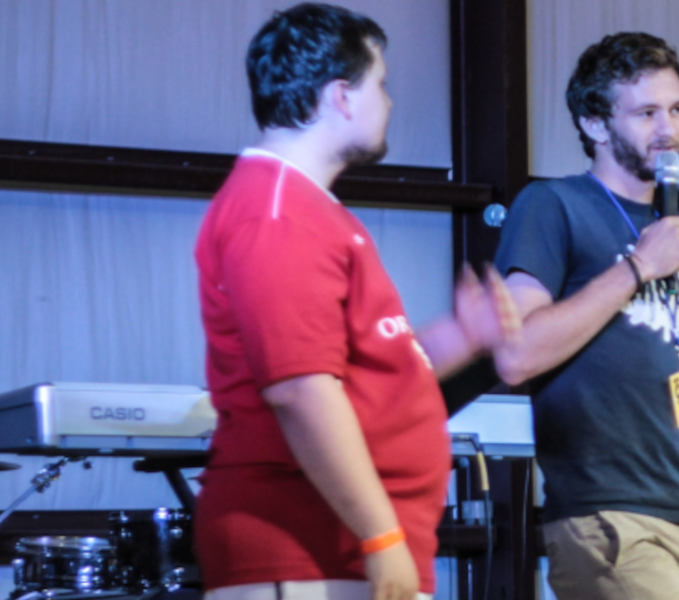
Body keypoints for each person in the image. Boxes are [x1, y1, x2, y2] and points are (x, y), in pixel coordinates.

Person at [194, 4, 519, 600]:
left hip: (342, 551)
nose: (388, 103)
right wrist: (379, 535)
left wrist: (459, 338)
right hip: (307, 549)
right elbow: (301, 390)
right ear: (341, 96)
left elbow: (361, 374)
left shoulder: (308, 209)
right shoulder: (276, 213)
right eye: (381, 85)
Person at [490, 31, 679, 600]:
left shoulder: (666, 228)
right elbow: (518, 351)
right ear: (595, 124)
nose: (668, 130)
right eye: (647, 113)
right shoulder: (553, 205)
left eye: (677, 110)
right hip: (608, 514)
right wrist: (636, 269)